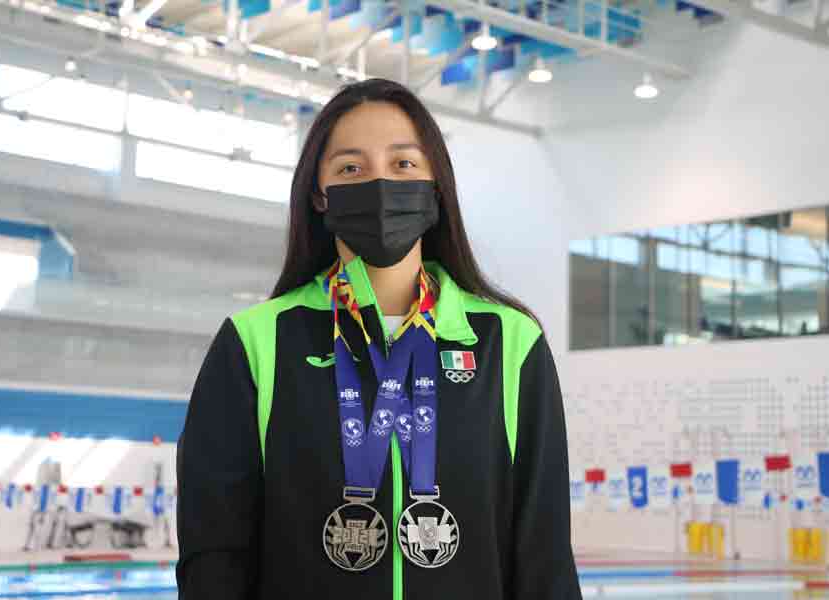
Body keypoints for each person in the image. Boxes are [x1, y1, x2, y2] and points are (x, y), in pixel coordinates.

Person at [176, 77, 581, 599]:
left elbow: (544, 555)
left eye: (403, 164)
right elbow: (214, 556)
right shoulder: (255, 342)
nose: (380, 185)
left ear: (436, 185)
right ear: (319, 194)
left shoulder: (509, 342)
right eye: (351, 168)